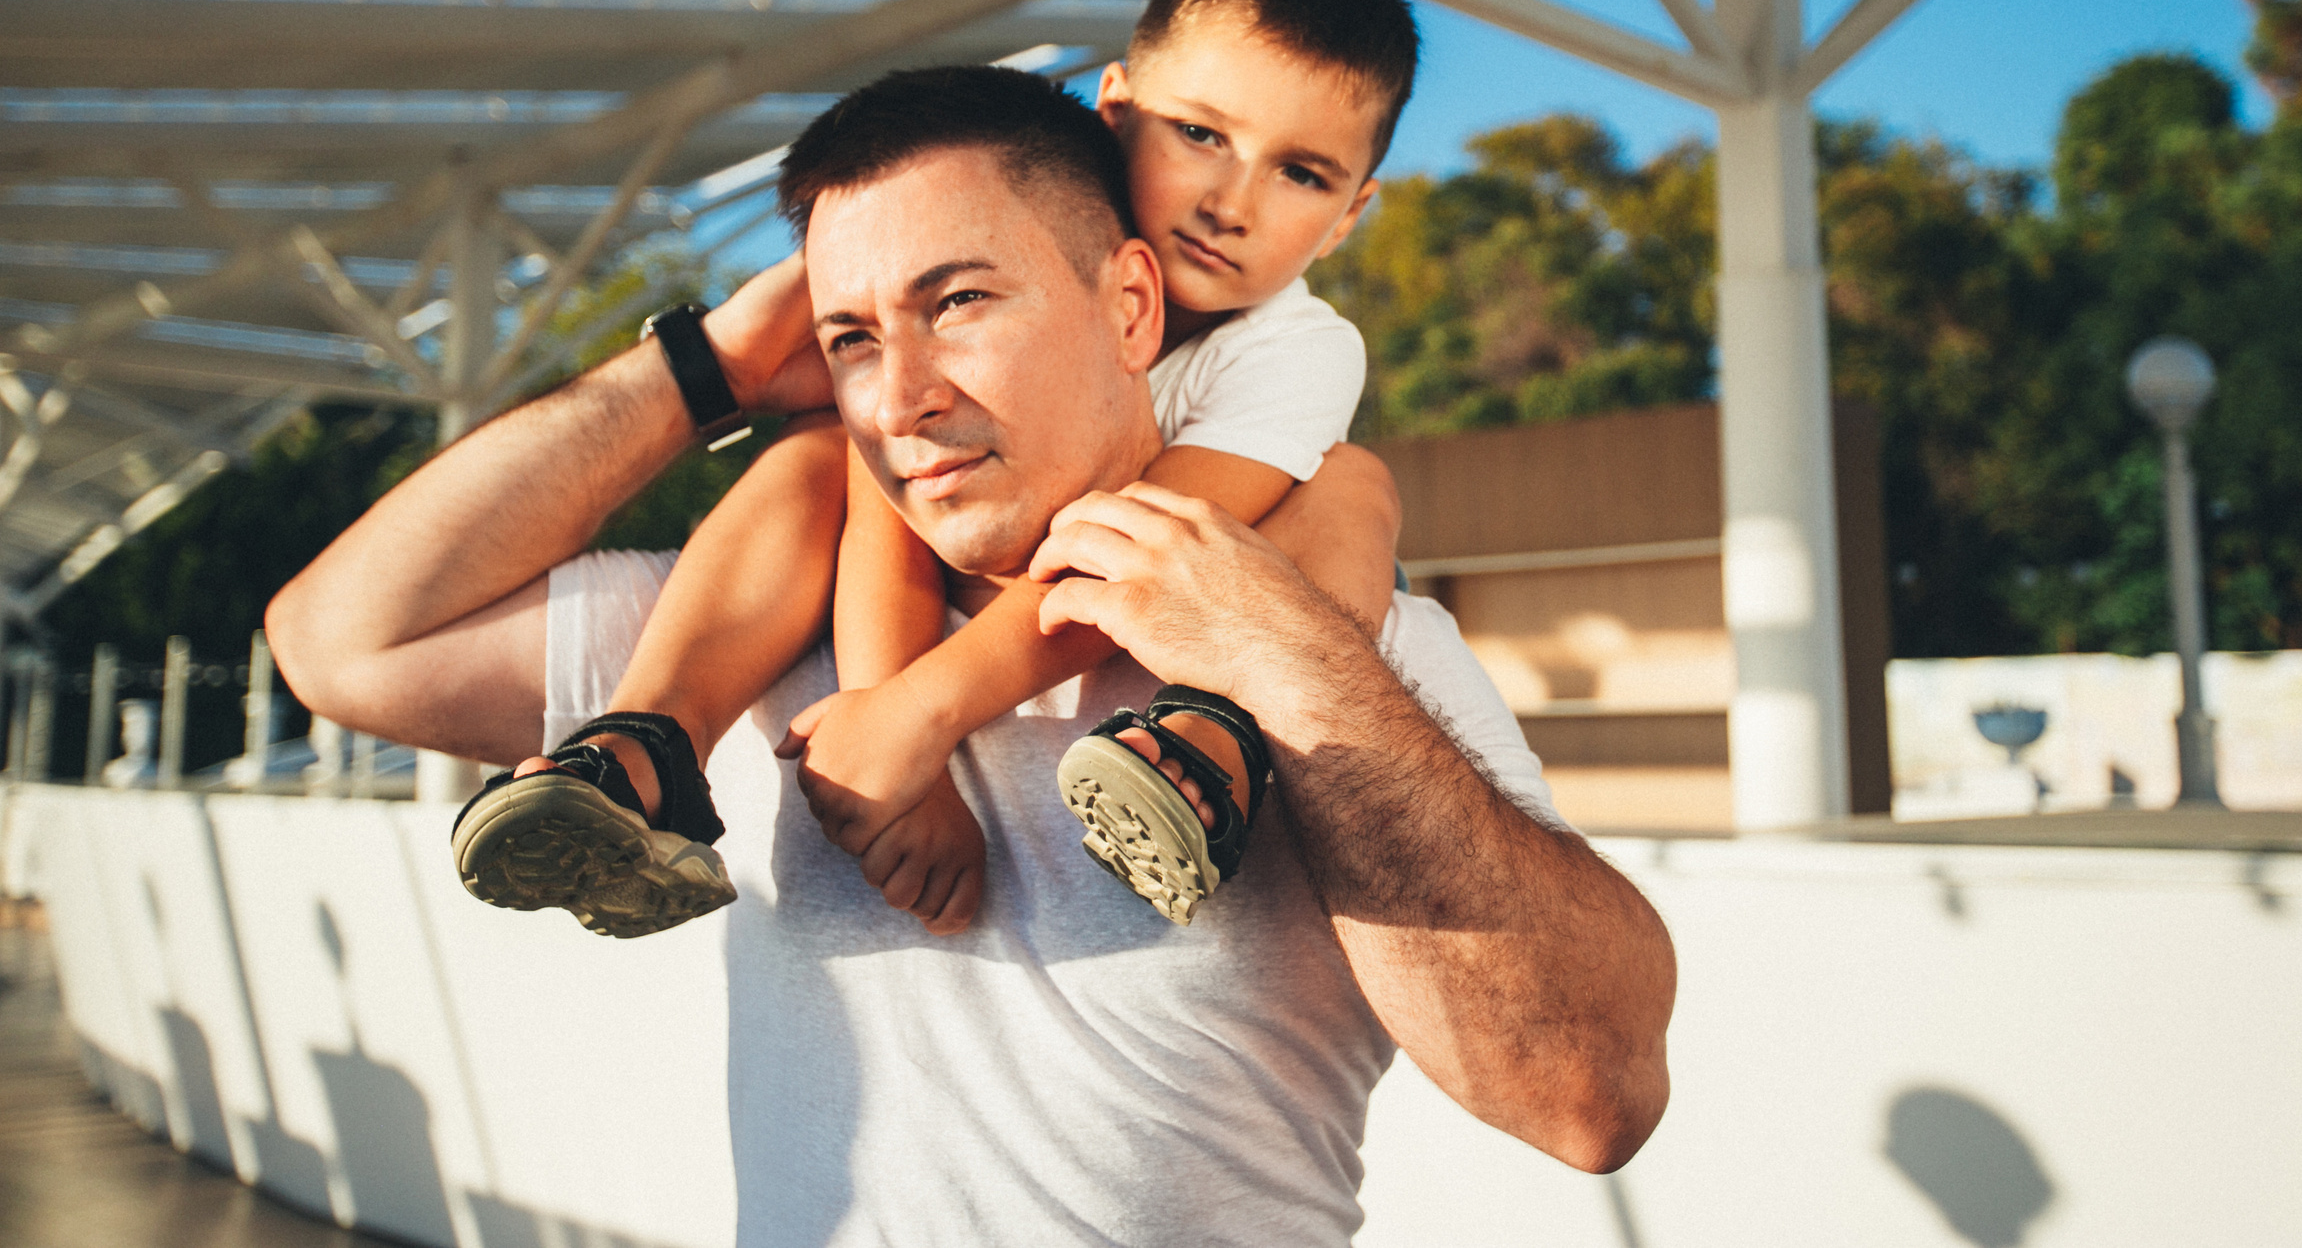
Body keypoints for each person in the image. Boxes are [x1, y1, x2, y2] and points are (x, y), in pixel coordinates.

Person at [266, 61, 1675, 1245]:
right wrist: (717, 362)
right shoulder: (761, 617)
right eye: (850, 335)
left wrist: (1284, 665)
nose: (905, 396)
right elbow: (340, 640)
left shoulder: (1351, 642)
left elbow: (1587, 1093)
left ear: (1133, 307)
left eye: (958, 302)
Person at [448, 0, 1413, 939]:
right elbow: (887, 506)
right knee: (821, 454)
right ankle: (641, 750)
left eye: (1301, 174)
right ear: (1117, 108)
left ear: (1349, 215)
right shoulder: (990, 276)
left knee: (1352, 490)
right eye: (1202, 136)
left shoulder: (1299, 350)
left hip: (1194, 604)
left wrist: (923, 714)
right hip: (965, 610)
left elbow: (1143, 551)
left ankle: (1215, 741)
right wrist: (889, 730)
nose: (1231, 203)